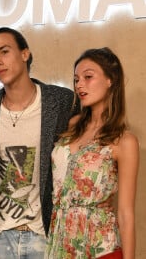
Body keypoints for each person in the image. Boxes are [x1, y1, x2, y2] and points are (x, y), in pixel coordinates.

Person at [0, 27, 77, 258]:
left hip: (44, 232)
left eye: (4, 51)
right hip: (1, 233)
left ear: (25, 53)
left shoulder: (61, 101)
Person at [45, 47, 139, 259]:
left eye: (88, 77)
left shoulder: (124, 141)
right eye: (76, 79)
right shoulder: (72, 125)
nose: (79, 84)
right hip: (60, 246)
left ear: (110, 80)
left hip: (99, 248)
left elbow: (125, 213)